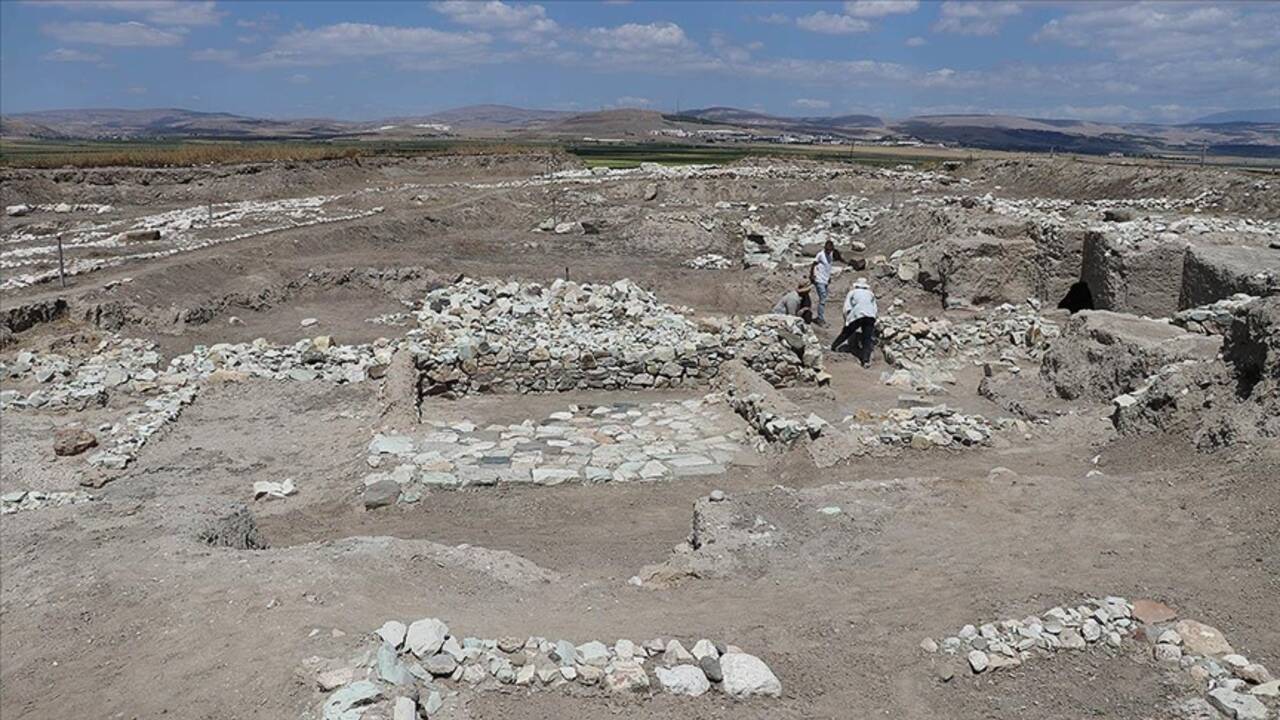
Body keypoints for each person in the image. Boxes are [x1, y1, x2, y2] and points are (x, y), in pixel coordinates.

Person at [831, 278, 878, 367]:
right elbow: (875, 309)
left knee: (847, 332)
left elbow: (846, 307)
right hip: (870, 316)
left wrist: (847, 320)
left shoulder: (852, 293)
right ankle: (865, 360)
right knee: (867, 339)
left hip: (858, 314)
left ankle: (834, 346)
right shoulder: (870, 294)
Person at [808, 240, 843, 326]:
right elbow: (813, 264)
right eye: (827, 250)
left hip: (825, 279)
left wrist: (829, 277)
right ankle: (820, 319)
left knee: (823, 299)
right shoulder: (820, 255)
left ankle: (820, 317)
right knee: (823, 298)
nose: (828, 251)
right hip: (819, 279)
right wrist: (812, 275)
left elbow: (828, 266)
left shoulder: (830, 255)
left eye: (830, 250)